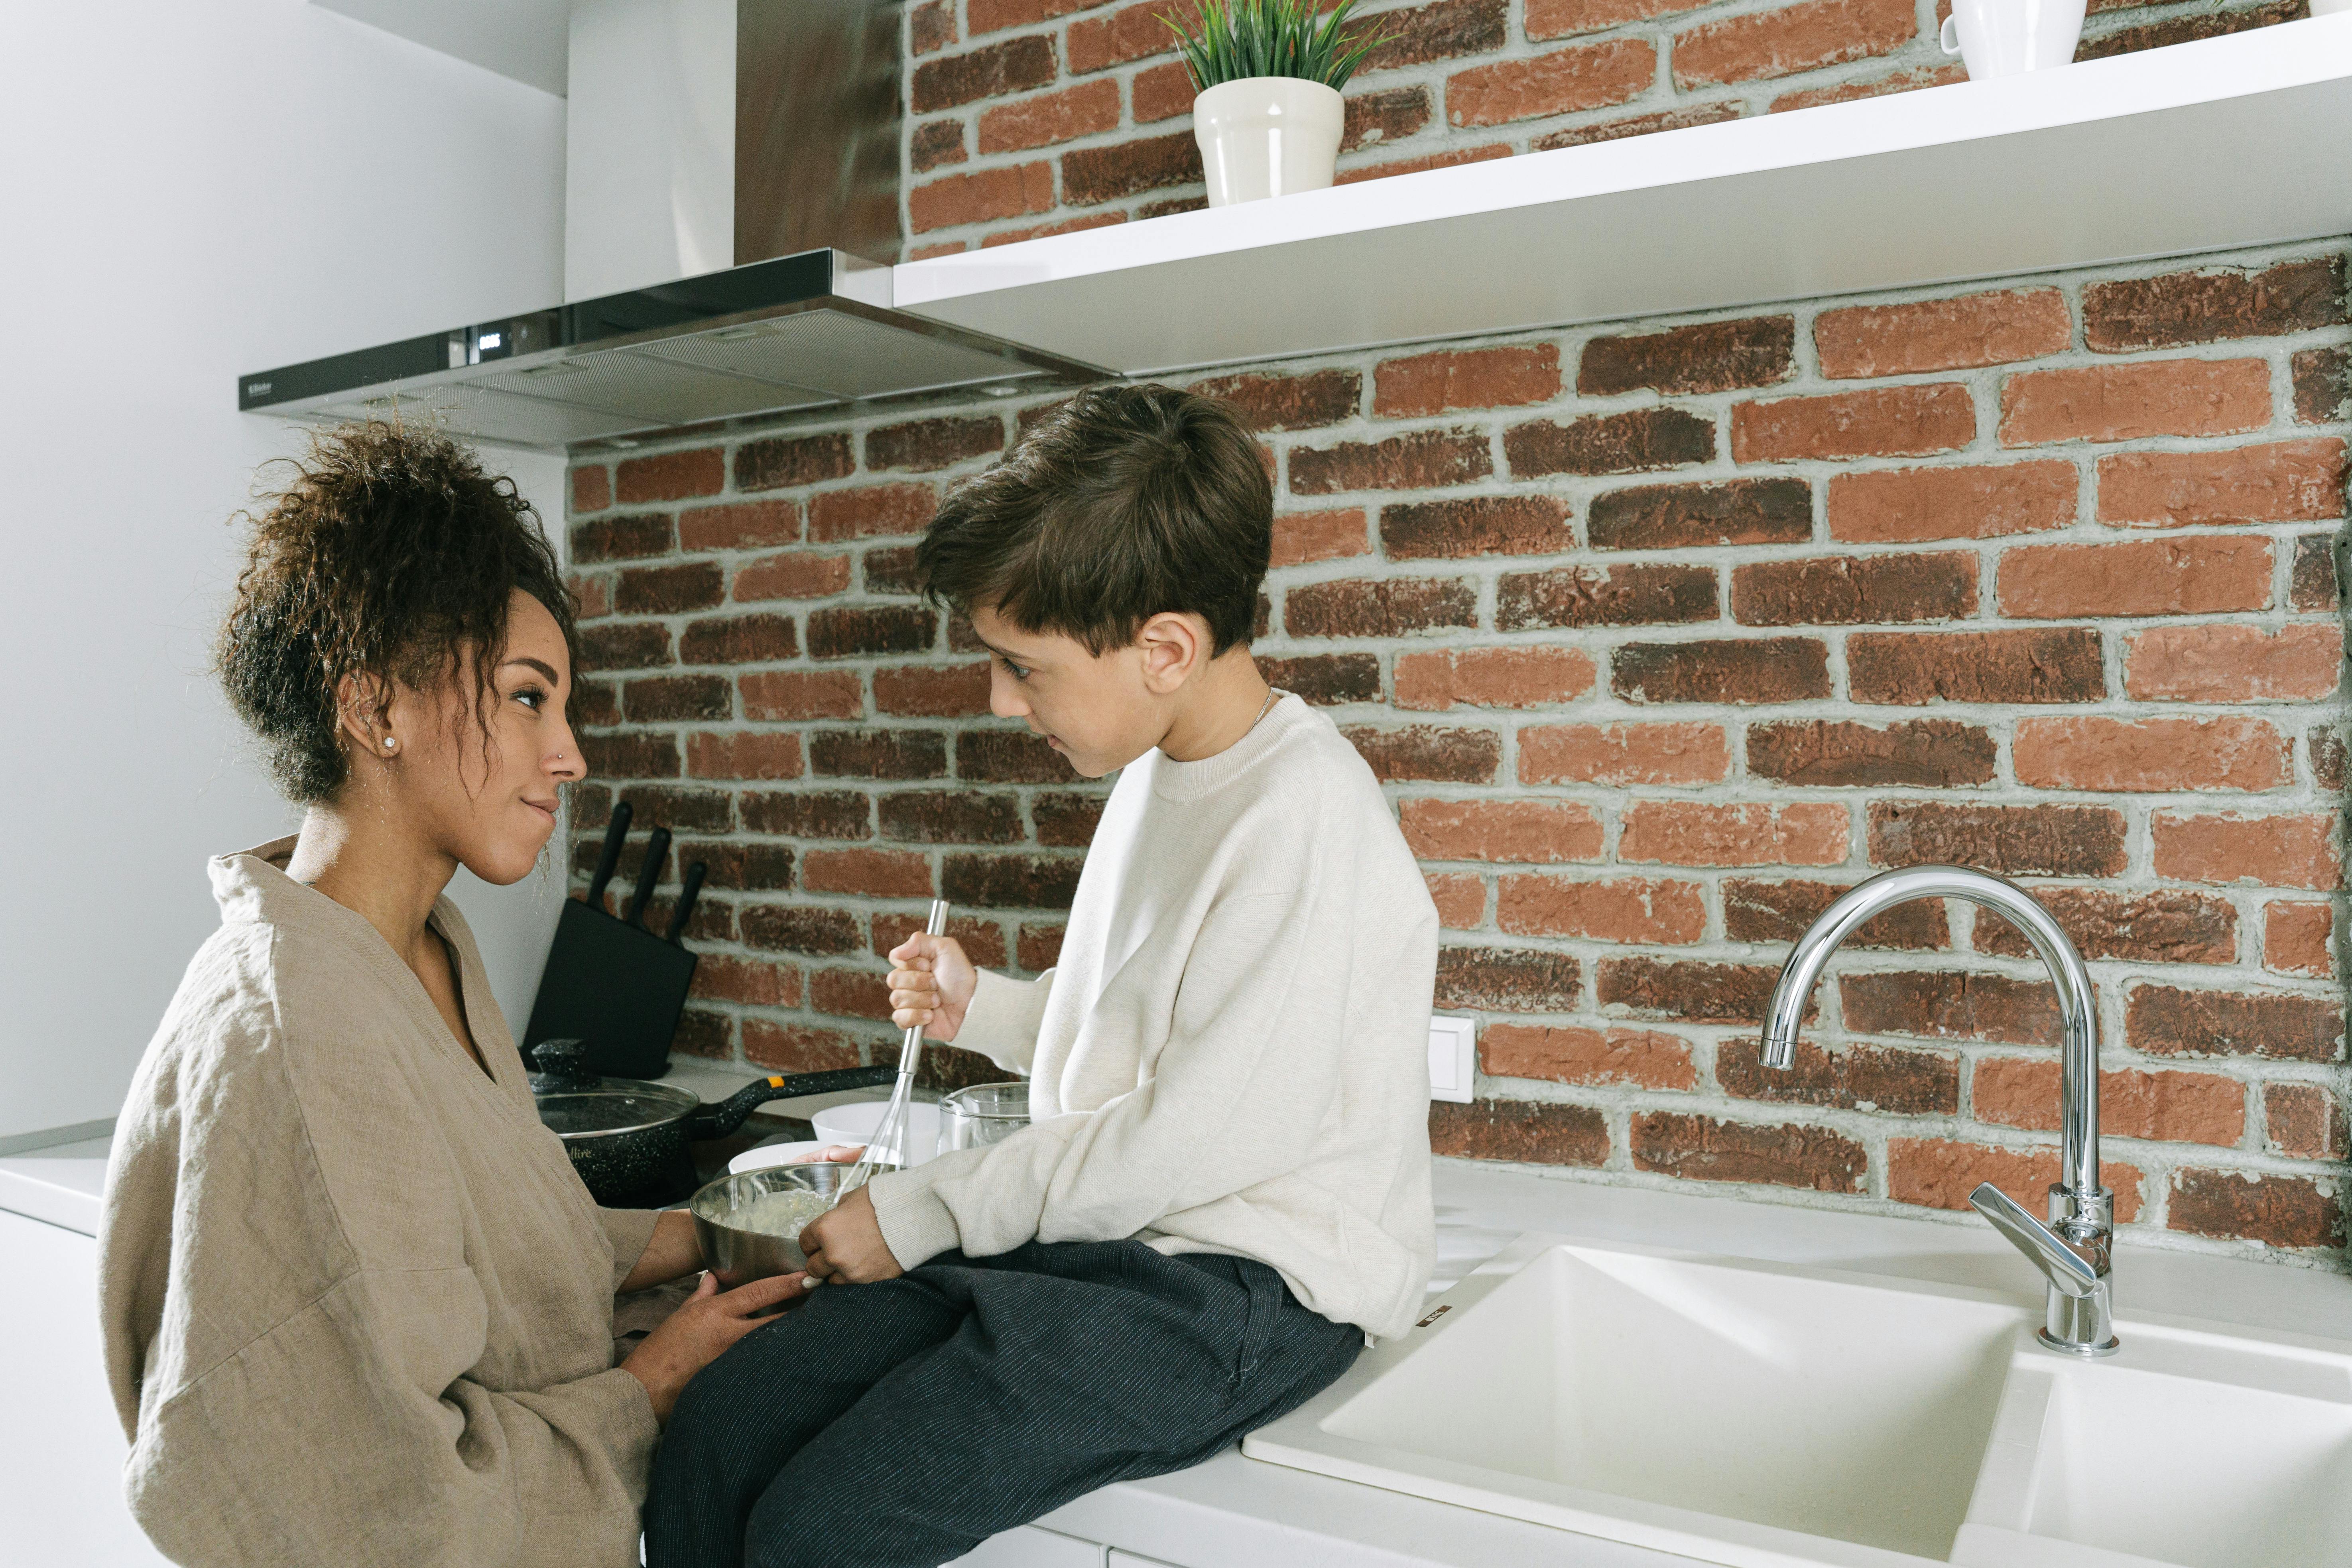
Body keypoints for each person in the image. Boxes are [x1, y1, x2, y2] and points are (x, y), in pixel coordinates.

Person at [643, 384, 1440, 1568]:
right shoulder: (1158, 775)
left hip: (1245, 1291)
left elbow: (1189, 1143)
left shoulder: (1306, 818)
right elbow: (1147, 1035)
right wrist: (994, 1009)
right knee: (717, 1425)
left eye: (1024, 667)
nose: (1001, 700)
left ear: (1163, 648)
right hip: (1106, 1250)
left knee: (830, 1528)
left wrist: (924, 1210)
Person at [98, 423, 801, 1568]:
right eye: (529, 699)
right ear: (377, 708)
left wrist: (701, 1234)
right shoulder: (293, 1024)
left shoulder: (425, 949)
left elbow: (462, 1250)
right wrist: (651, 1386)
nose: (569, 755)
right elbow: (379, 1502)